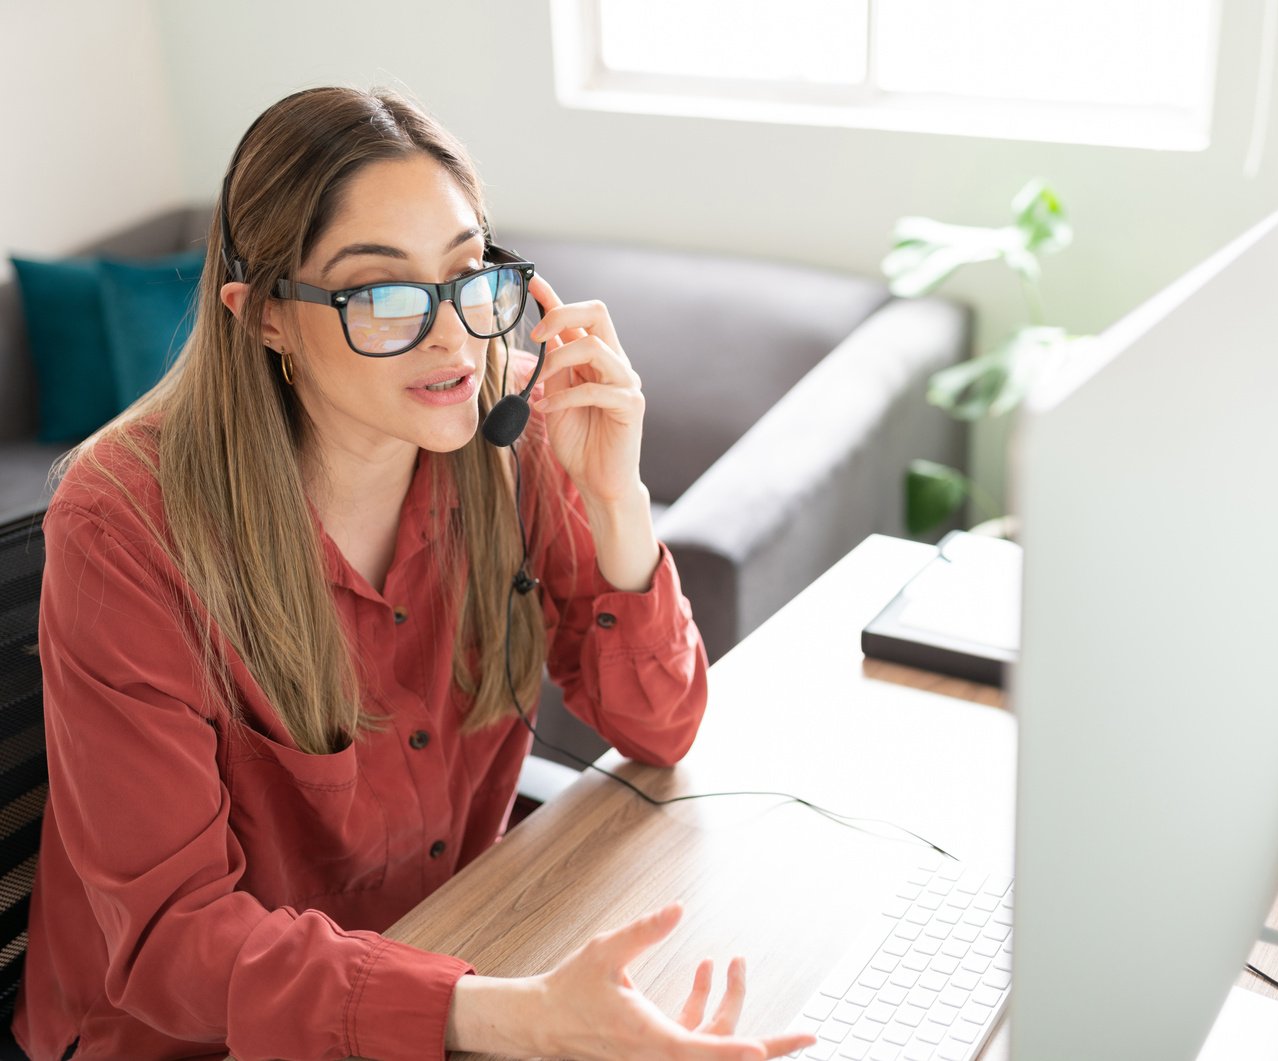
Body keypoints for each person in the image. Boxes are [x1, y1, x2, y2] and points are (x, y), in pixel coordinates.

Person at [12, 86, 816, 1061]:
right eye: (382, 295)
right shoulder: (127, 521)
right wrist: (506, 1013)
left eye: (469, 275)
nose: (453, 337)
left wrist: (615, 497)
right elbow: (168, 942)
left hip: (449, 954)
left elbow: (659, 724)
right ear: (263, 315)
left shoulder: (507, 425)